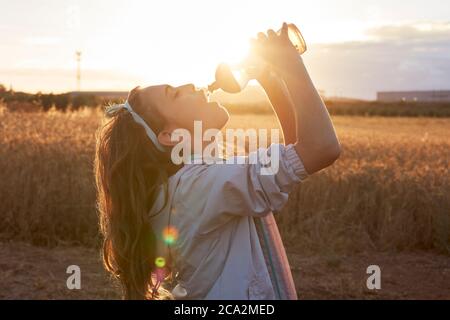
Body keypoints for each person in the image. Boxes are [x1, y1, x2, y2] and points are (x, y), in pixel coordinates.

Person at [94, 23, 341, 300]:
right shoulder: (197, 186)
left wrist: (271, 81)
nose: (189, 84)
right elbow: (321, 148)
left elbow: (293, 152)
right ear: (170, 135)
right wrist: (291, 64)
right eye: (175, 93)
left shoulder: (193, 181)